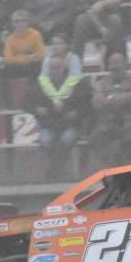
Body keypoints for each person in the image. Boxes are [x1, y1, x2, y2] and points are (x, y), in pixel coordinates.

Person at [24, 49, 91, 181]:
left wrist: (77, 112)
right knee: (46, 140)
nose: (55, 70)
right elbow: (24, 102)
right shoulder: (40, 86)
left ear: (64, 68)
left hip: (69, 125)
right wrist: (36, 109)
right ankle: (60, 170)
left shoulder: (75, 84)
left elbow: (88, 103)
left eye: (58, 67)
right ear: (48, 69)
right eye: (52, 67)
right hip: (48, 125)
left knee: (66, 139)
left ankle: (54, 172)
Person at [90, 52, 131, 167]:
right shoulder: (102, 82)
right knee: (94, 139)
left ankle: (121, 164)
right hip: (108, 123)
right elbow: (96, 99)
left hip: (129, 122)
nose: (114, 66)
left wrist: (115, 99)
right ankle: (111, 162)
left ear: (125, 64)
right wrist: (105, 100)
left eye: (117, 63)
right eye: (111, 63)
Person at [0, 9, 45, 89]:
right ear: (12, 24)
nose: (20, 24)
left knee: (38, 66)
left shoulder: (36, 35)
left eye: (23, 21)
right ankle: (4, 100)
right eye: (17, 21)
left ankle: (34, 95)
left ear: (28, 22)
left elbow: (40, 55)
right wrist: (28, 57)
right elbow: (8, 58)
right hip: (17, 67)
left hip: (32, 66)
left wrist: (18, 57)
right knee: (3, 70)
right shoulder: (10, 39)